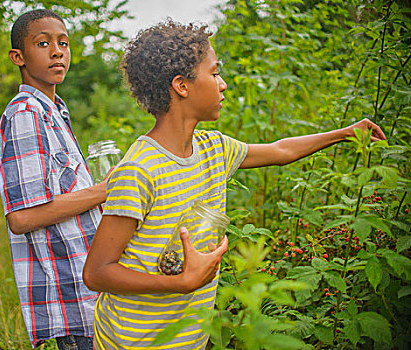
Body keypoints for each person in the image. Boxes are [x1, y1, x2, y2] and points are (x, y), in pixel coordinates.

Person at [82, 20, 386, 349]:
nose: (223, 84)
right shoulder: (139, 170)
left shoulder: (215, 149)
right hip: (134, 340)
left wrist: (343, 133)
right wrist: (182, 283)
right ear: (181, 86)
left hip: (189, 338)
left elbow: (281, 150)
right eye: (214, 73)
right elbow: (97, 272)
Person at [0, 9, 108, 349]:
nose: (57, 51)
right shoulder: (25, 113)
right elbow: (23, 217)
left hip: (92, 289)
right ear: (19, 56)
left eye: (63, 43)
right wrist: (103, 191)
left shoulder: (54, 111)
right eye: (43, 43)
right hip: (72, 295)